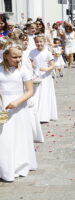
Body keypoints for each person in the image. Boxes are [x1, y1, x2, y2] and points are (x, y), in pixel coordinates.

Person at [0, 43, 37, 182]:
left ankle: (19, 164)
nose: (18, 60)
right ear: (6, 56)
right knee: (4, 138)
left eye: (20, 57)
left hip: (18, 106)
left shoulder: (23, 70)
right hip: (3, 105)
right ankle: (5, 167)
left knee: (18, 136)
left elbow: (30, 91)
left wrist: (17, 101)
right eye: (14, 57)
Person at [19, 33, 44, 143]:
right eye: (22, 40)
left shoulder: (28, 53)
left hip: (29, 81)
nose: (25, 42)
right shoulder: (19, 54)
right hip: (21, 83)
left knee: (30, 106)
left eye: (26, 40)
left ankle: (31, 132)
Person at [29, 35, 57, 123]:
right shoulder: (32, 52)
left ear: (44, 42)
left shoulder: (47, 52)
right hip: (36, 75)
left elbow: (52, 65)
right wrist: (32, 66)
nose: (39, 43)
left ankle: (44, 115)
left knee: (44, 93)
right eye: (37, 42)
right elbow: (29, 62)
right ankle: (35, 113)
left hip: (45, 76)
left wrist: (46, 69)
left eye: (41, 42)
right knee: (36, 93)